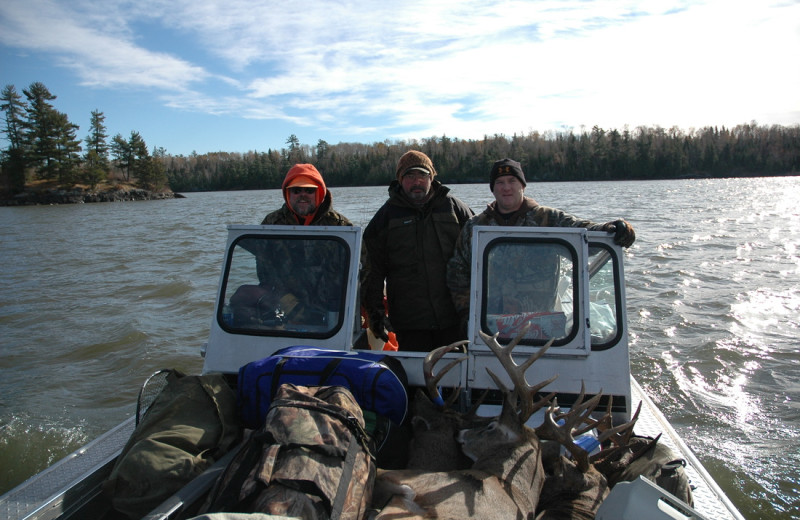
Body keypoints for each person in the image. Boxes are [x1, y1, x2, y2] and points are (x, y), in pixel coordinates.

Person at [447, 158, 636, 327]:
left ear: (522, 186)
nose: (506, 188)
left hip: (538, 320)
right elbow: (458, 270)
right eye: (500, 182)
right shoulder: (476, 226)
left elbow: (583, 234)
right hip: (489, 320)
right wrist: (467, 313)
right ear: (493, 188)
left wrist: (610, 229)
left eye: (512, 181)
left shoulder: (548, 218)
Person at [361, 150, 474, 351]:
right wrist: (375, 314)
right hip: (410, 322)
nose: (417, 182)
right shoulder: (386, 216)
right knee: (415, 379)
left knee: (455, 377)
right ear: (400, 180)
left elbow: (481, 254)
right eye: (410, 176)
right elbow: (373, 270)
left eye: (422, 175)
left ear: (431, 177)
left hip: (454, 316)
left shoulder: (454, 208)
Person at [253, 164, 353, 327]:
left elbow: (361, 270)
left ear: (319, 192)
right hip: (287, 309)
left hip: (333, 313)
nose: (302, 195)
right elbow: (264, 269)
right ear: (288, 193)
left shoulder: (341, 226)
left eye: (309, 190)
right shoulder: (271, 224)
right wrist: (286, 301)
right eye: (296, 190)